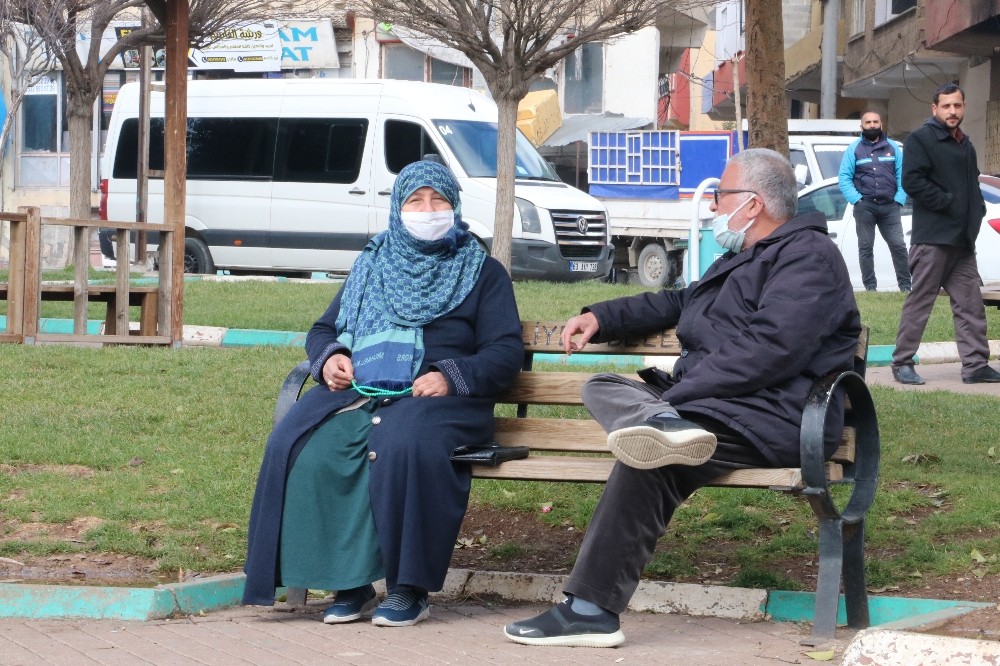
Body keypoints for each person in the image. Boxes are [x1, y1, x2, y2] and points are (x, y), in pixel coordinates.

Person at [503, 148, 861, 648]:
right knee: (601, 385)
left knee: (649, 457)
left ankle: (589, 610)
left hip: (774, 415)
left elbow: (770, 350)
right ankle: (666, 426)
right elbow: (678, 302)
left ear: (753, 203)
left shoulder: (810, 258)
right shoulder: (743, 256)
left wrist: (680, 390)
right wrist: (602, 317)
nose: (713, 205)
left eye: (721, 195)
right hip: (715, 409)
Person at [242, 160, 524, 627]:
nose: (428, 210)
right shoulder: (372, 263)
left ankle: (408, 588)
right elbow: (323, 329)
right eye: (416, 201)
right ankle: (348, 583)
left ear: (454, 206)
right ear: (397, 208)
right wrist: (330, 357)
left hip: (440, 399)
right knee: (306, 444)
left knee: (401, 443)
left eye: (438, 200)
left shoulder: (483, 272)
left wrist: (450, 376)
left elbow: (505, 351)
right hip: (361, 389)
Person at [891, 83, 1000, 386]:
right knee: (920, 303)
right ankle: (902, 362)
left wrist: (976, 211)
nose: (952, 111)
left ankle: (976, 366)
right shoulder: (921, 139)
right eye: (946, 106)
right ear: (935, 108)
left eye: (957, 105)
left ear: (963, 107)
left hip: (962, 242)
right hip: (932, 239)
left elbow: (973, 184)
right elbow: (912, 181)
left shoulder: (965, 144)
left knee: (970, 305)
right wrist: (949, 204)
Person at [837, 111, 911, 292]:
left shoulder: (893, 148)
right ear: (861, 126)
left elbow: (903, 175)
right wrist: (857, 200)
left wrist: (899, 199)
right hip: (865, 206)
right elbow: (844, 177)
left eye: (875, 122)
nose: (872, 125)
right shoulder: (853, 149)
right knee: (865, 247)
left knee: (898, 245)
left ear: (881, 124)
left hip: (890, 206)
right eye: (868, 122)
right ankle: (870, 288)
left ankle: (906, 287)